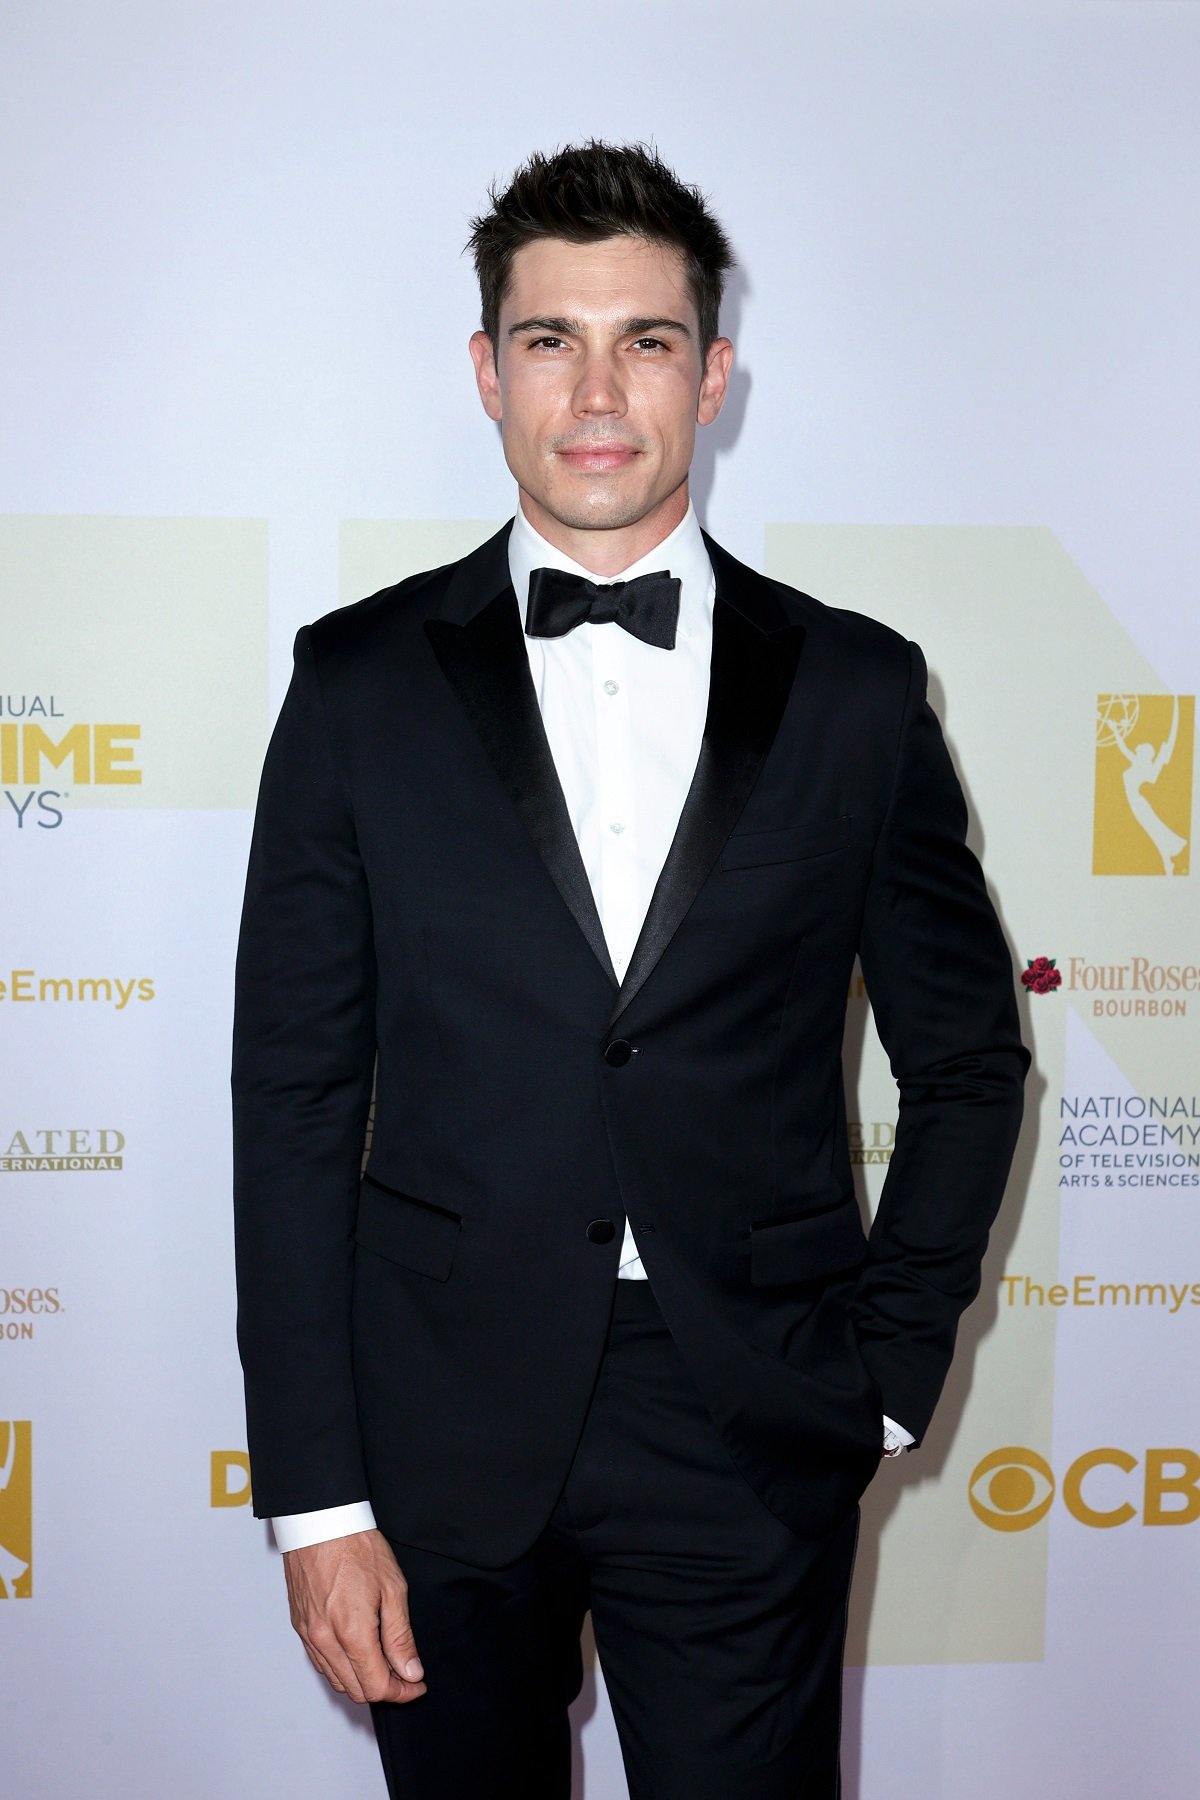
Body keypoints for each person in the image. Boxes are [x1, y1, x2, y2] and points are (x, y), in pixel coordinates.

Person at [232, 141, 1027, 1800]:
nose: (598, 391)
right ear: (487, 372)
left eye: (647, 341)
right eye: (550, 340)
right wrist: (317, 1501)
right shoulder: (357, 684)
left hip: (751, 1418)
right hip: (435, 1426)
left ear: (715, 373)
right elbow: (294, 1098)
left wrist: (881, 1382)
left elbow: (966, 1062)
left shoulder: (860, 690)